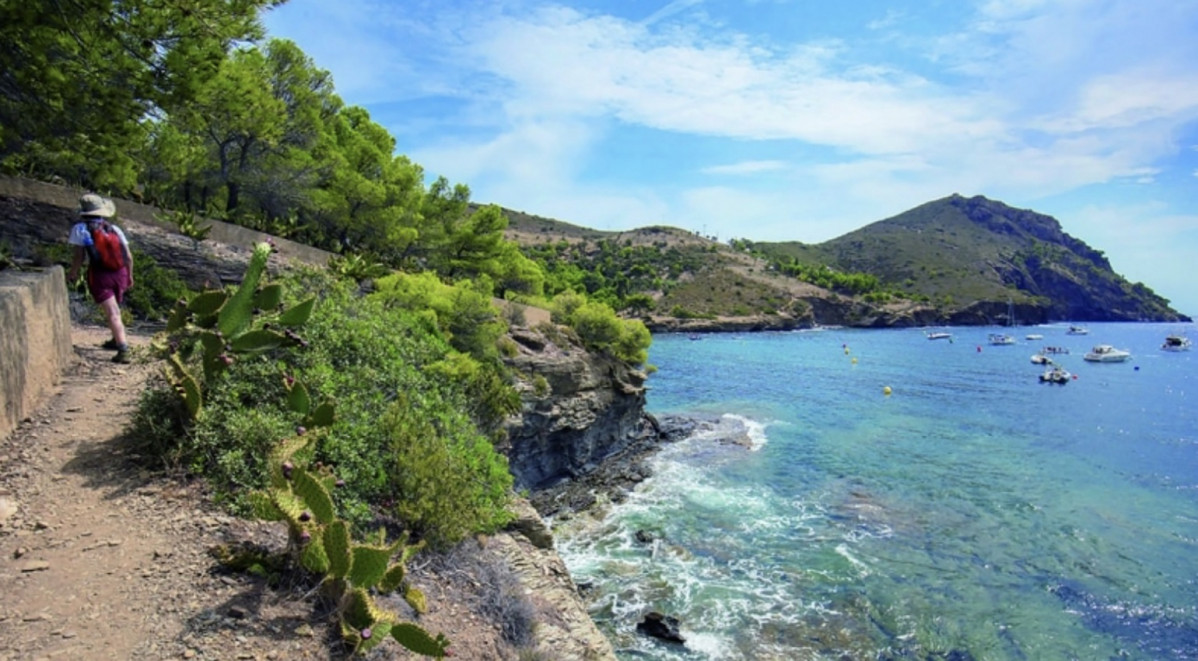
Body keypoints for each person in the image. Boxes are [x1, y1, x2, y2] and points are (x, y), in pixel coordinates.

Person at [67, 193, 134, 363]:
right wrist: (130, 276)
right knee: (115, 308)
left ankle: (123, 349)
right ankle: (115, 339)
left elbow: (79, 257)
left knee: (112, 312)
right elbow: (129, 256)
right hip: (120, 273)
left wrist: (73, 273)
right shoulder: (114, 229)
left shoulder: (80, 229)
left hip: (99, 274)